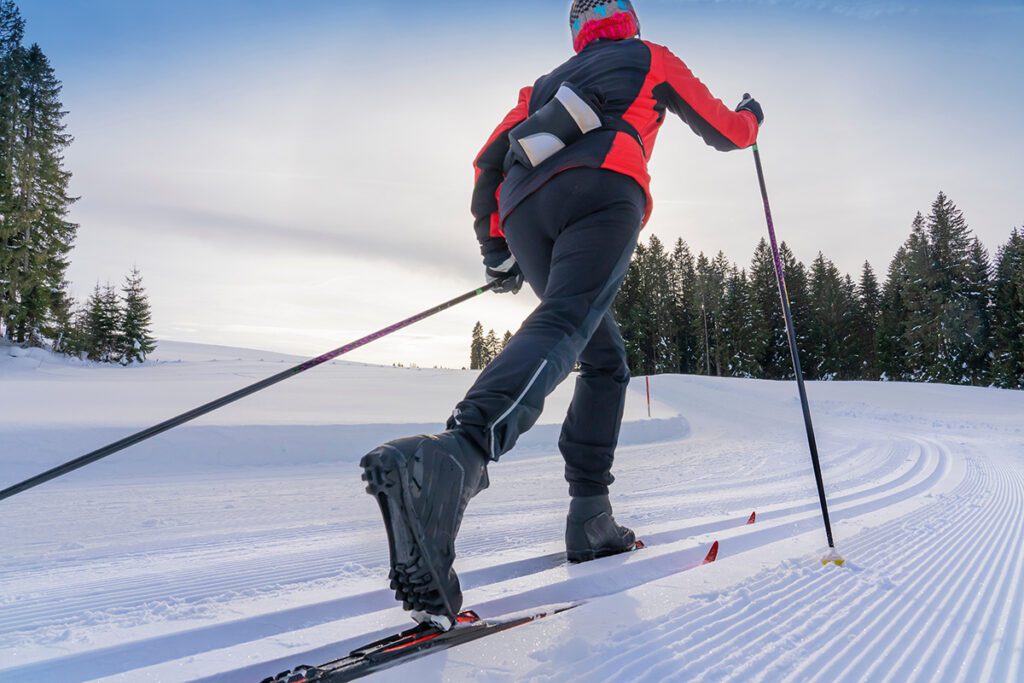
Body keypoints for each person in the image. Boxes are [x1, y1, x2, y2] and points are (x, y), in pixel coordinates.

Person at [360, 0, 763, 630]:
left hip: (525, 211)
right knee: (567, 324)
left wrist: (498, 250)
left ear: (578, 31)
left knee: (603, 359)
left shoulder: (541, 87)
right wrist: (752, 118)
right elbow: (726, 131)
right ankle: (459, 452)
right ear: (627, 19)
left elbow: (487, 162)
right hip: (603, 187)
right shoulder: (651, 57)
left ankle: (590, 516)